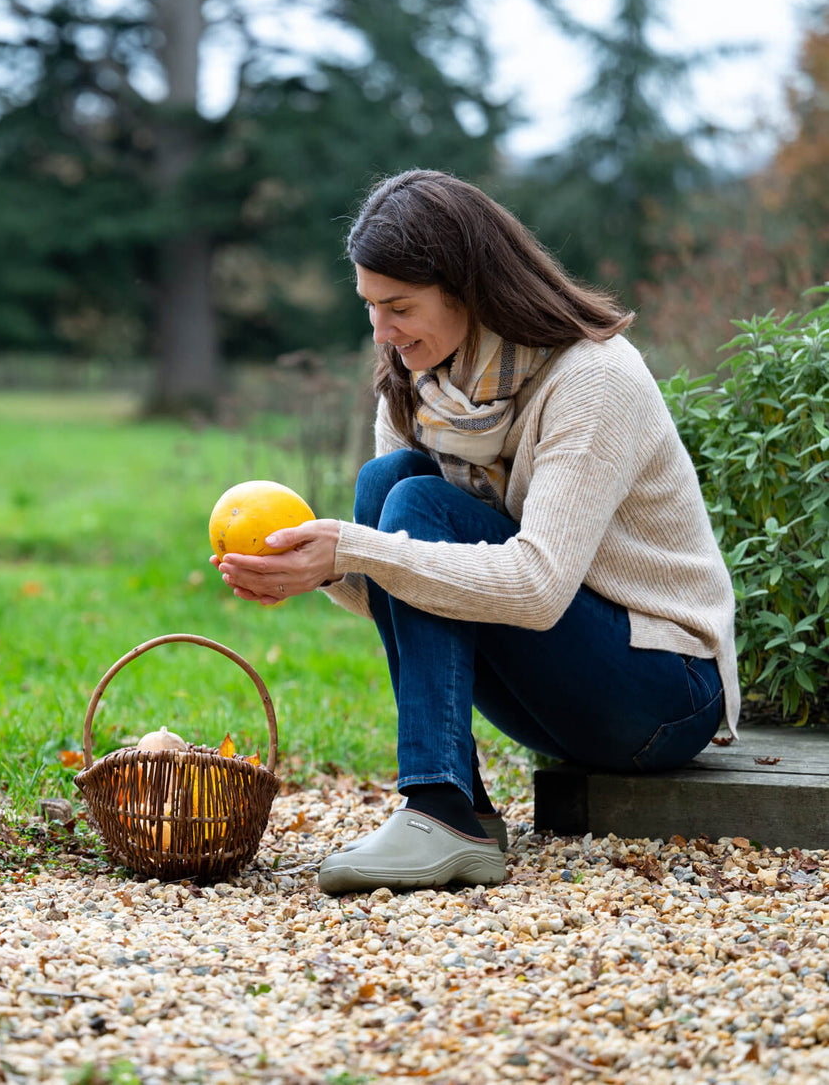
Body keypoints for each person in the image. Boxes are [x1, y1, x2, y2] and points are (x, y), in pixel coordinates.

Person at [213, 169, 739, 895]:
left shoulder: (592, 379)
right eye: (370, 307)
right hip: (558, 693)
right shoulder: (416, 385)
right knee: (387, 486)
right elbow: (409, 598)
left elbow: (537, 588)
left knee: (415, 509)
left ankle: (436, 809)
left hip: (662, 691)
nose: (382, 333)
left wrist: (355, 549)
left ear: (469, 289)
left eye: (399, 307)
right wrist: (326, 571)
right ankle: (462, 814)